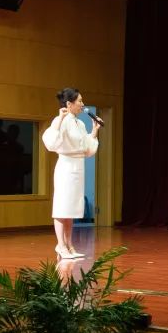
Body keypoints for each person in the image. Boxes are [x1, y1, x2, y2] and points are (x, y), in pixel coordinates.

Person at [42, 88, 99, 259]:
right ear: (69, 103)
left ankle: (69, 245)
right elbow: (51, 142)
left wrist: (94, 131)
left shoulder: (80, 123)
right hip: (66, 167)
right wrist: (60, 119)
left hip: (78, 167)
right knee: (62, 207)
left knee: (72, 208)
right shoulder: (60, 120)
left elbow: (86, 149)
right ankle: (60, 245)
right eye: (79, 101)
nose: (82, 104)